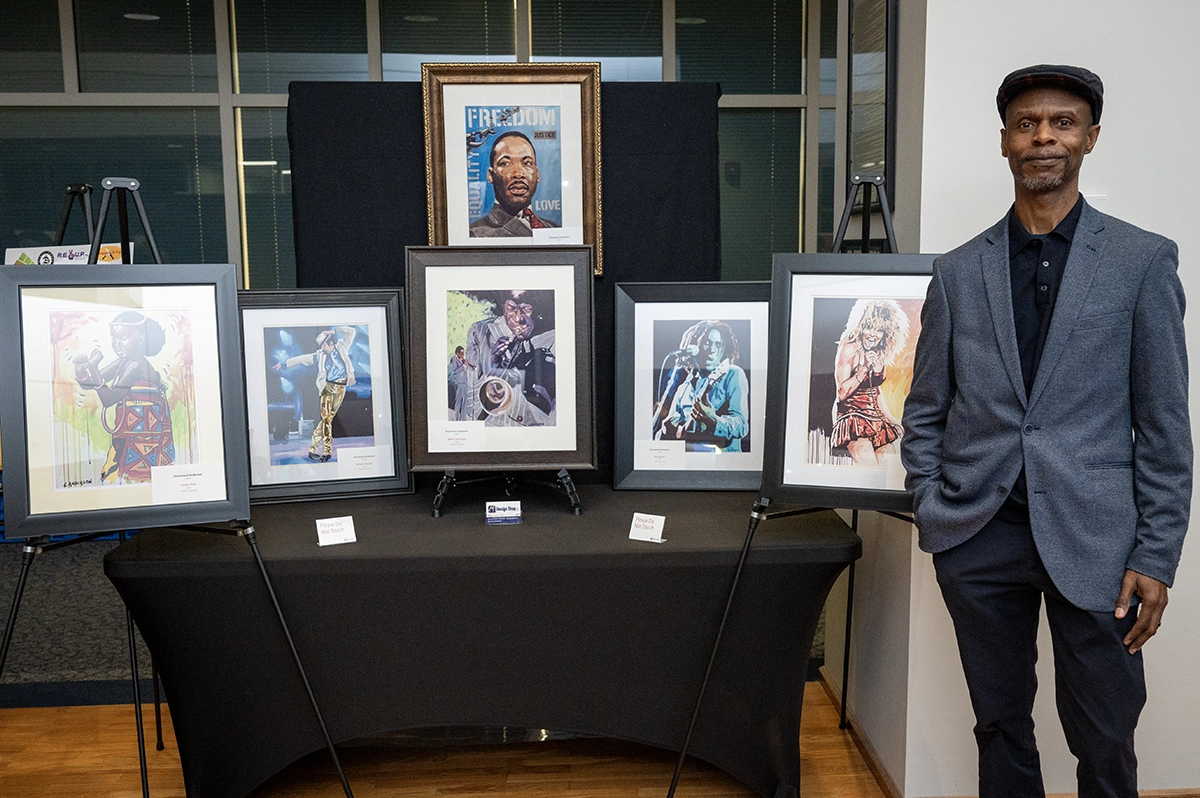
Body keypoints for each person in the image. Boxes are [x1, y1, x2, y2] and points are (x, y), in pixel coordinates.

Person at [900, 65, 1190, 798]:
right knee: (999, 722)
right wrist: (934, 504)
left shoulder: (1141, 261)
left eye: (1062, 123)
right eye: (1027, 124)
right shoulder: (959, 271)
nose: (1044, 137)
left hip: (1099, 540)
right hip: (979, 533)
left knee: (1105, 732)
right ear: (1004, 142)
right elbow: (926, 407)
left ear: (1090, 138)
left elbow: (1163, 425)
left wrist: (1156, 554)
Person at [72, 310, 176, 483]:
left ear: (140, 337)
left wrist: (94, 366)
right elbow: (88, 383)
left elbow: (109, 399)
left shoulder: (136, 364)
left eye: (123, 338)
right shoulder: (124, 362)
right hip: (129, 434)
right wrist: (82, 370)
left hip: (144, 437)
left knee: (134, 478)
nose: (117, 344)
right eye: (114, 339)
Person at [460, 290, 556, 426]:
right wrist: (496, 368)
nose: (518, 319)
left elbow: (553, 419)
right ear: (502, 306)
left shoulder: (553, 339)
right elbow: (469, 402)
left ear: (537, 308)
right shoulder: (480, 331)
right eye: (511, 307)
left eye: (526, 309)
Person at [831, 299, 909, 465]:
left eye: (879, 330)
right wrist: (864, 369)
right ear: (861, 327)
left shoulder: (879, 353)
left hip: (875, 420)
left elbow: (876, 392)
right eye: (869, 327)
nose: (873, 334)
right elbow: (842, 393)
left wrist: (891, 419)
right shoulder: (850, 348)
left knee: (888, 458)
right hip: (852, 418)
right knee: (866, 457)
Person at [652, 320, 749, 452]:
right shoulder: (684, 388)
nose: (712, 350)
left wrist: (713, 421)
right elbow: (665, 431)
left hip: (723, 464)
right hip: (688, 464)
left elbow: (742, 426)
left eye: (718, 345)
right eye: (707, 343)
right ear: (694, 347)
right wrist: (666, 432)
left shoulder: (733, 373)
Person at [274, 326, 356, 462]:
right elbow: (301, 358)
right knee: (326, 419)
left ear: (330, 343)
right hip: (327, 388)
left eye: (324, 345)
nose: (322, 348)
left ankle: (313, 449)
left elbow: (351, 331)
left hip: (341, 388)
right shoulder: (320, 355)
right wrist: (284, 364)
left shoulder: (342, 347)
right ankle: (327, 451)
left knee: (327, 419)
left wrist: (334, 331)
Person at [469, 131, 559, 237]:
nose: (518, 173)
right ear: (490, 175)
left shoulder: (553, 229)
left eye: (527, 163)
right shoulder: (476, 234)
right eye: (505, 163)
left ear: (537, 174)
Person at [447, 345, 471, 415]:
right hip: (460, 382)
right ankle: (457, 418)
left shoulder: (461, 360)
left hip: (464, 382)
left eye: (463, 353)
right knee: (459, 400)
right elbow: (455, 370)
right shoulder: (454, 359)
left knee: (465, 400)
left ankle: (463, 418)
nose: (463, 355)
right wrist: (463, 366)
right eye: (461, 353)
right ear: (457, 353)